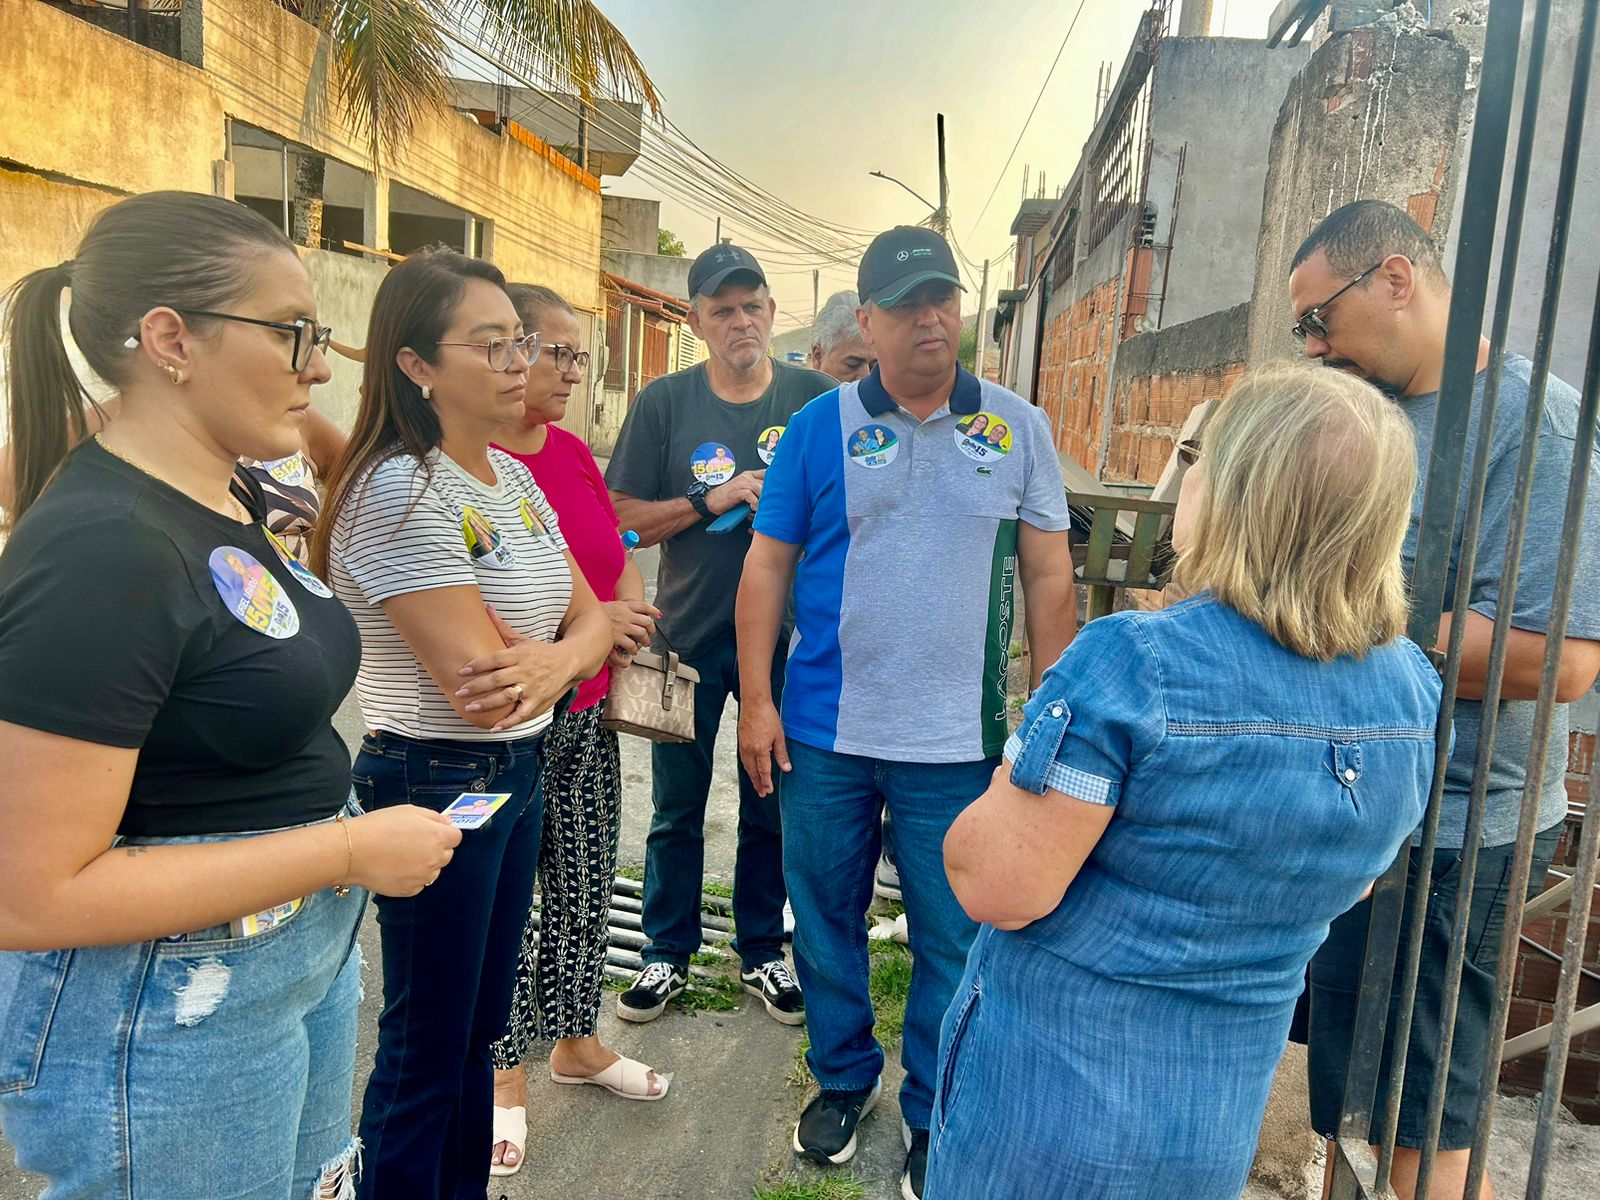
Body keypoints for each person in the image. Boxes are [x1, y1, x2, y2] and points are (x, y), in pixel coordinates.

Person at [0, 191, 458, 1199]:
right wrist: (346, 849)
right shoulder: (103, 547)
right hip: (166, 1008)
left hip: (279, 971)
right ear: (169, 338)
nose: (322, 367)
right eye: (295, 334)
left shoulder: (229, 491)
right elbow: (29, 894)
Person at [926, 364, 1444, 1200]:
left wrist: (1006, 777)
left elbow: (993, 885)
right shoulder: (1411, 688)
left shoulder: (1137, 663)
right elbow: (1355, 881)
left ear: (1243, 487)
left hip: (1052, 1113)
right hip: (1213, 1124)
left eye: (1199, 453)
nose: (1186, 469)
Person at [736, 225, 1077, 1200]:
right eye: (908, 303)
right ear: (867, 319)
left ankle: (933, 1108)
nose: (931, 318)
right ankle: (843, 1076)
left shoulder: (1016, 429)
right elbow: (767, 565)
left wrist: (1050, 723)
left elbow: (1048, 579)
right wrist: (756, 702)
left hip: (957, 747)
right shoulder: (817, 430)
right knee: (825, 918)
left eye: (945, 299)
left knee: (952, 934)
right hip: (823, 734)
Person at [1287, 201, 1600, 1200]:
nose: (1313, 344)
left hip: (1457, 826)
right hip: (1350, 797)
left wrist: (1350, 614)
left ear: (1393, 277)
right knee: (1345, 1094)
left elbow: (1560, 662)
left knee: (1428, 1108)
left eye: (1320, 317)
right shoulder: (1362, 411)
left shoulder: (1537, 429)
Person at [315, 248, 613, 1199]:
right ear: (415, 366)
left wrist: (564, 657)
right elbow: (481, 688)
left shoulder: (512, 481)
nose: (520, 359)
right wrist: (566, 655)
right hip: (437, 778)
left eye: (519, 339)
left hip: (513, 777)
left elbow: (592, 615)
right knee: (428, 1041)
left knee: (482, 1031)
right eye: (491, 344)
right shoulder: (402, 489)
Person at [604, 243, 834, 1027]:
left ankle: (763, 951)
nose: (741, 320)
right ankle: (665, 954)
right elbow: (620, 520)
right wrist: (712, 501)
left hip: (790, 643)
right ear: (697, 321)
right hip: (691, 640)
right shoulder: (664, 403)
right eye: (723, 309)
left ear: (772, 311)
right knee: (677, 806)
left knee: (773, 799)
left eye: (753, 305)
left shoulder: (813, 398)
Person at [485, 284, 667, 1178]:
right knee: (508, 903)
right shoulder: (467, 465)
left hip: (589, 711)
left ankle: (576, 1043)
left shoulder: (566, 452)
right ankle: (505, 1078)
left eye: (577, 355)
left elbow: (614, 545)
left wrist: (628, 607)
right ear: (505, 352)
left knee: (586, 884)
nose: (567, 372)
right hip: (507, 727)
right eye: (553, 352)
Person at [810, 289, 877, 382]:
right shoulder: (790, 394)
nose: (866, 377)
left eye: (874, 368)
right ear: (818, 356)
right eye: (852, 365)